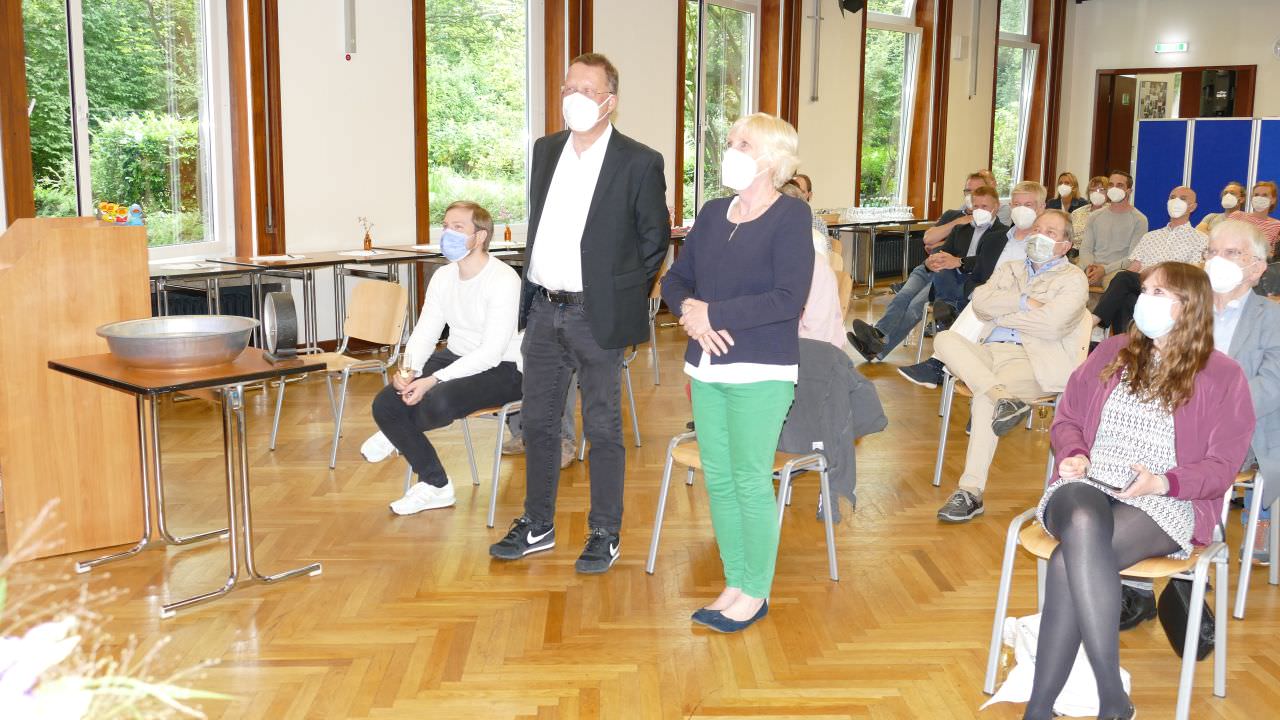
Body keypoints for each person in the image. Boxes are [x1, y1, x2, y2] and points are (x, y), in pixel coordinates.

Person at [1022, 262, 1254, 720]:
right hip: (1086, 482)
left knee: (1070, 560)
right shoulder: (1114, 350)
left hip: (1163, 498)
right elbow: (1068, 417)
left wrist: (1164, 482)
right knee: (1083, 520)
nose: (1145, 299)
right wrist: (1074, 453)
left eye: (1158, 292)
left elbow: (1222, 466)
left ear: (1189, 306)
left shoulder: (1223, 375)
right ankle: (1112, 697)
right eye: (1145, 289)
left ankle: (1040, 708)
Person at [489, 53, 668, 573]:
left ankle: (605, 531)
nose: (574, 97)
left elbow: (654, 242)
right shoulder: (546, 150)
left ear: (609, 101)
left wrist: (616, 296)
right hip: (545, 309)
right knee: (538, 423)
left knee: (604, 427)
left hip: (597, 315)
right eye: (569, 88)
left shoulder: (639, 161)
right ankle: (537, 524)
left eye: (586, 90)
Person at [661, 112, 813, 633]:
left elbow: (788, 298)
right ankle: (734, 581)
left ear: (771, 157)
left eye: (742, 143)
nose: (729, 149)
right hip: (706, 366)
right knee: (720, 481)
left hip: (761, 369)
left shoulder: (791, 216)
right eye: (730, 141)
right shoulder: (711, 212)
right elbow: (676, 280)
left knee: (749, 481)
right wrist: (691, 313)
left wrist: (714, 315)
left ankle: (756, 591)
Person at [1117, 220, 1280, 629]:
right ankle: (1144, 576)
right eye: (1212, 252)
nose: (1217, 260)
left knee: (1172, 456)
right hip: (1163, 422)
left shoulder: (1272, 318)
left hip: (1240, 434)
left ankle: (1159, 575)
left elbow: (1271, 387)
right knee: (1131, 448)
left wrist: (1203, 415)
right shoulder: (1180, 308)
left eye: (1231, 253)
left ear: (1258, 268)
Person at [931, 209, 1088, 522]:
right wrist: (1024, 303)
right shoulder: (1010, 268)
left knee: (984, 399)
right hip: (990, 351)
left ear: (1065, 246)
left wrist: (1004, 314)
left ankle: (970, 491)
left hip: (1034, 360)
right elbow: (980, 303)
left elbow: (1052, 326)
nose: (1040, 236)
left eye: (1051, 233)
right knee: (945, 340)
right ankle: (1003, 397)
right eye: (1037, 229)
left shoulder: (1073, 279)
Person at [373, 201, 524, 516]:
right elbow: (426, 331)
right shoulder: (443, 276)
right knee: (385, 403)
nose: (447, 234)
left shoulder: (503, 279)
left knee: (437, 401)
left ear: (479, 236)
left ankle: (396, 433)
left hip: (505, 368)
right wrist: (409, 369)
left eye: (458, 227)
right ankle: (436, 485)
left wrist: (431, 380)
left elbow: (491, 351)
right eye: (445, 226)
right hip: (457, 356)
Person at [896, 181, 1048, 389]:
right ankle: (940, 362)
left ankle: (938, 365)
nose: (1021, 210)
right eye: (1017, 204)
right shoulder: (996, 240)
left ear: (1041, 208)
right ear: (1011, 206)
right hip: (985, 298)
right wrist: (978, 293)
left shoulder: (1043, 245)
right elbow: (977, 276)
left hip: (1018, 303)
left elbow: (1041, 282)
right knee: (977, 301)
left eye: (1028, 205)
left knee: (979, 307)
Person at [846, 171, 999, 364]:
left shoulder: (996, 229)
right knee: (902, 296)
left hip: (948, 276)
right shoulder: (955, 218)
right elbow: (929, 241)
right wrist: (954, 229)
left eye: (976, 192)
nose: (972, 197)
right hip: (929, 266)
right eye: (968, 191)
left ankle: (876, 347)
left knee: (914, 307)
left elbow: (977, 259)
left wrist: (948, 255)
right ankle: (878, 334)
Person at [1091, 186, 1207, 335]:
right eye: (1172, 197)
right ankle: (1126, 342)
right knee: (1125, 290)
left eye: (1183, 199)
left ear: (1193, 207)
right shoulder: (1150, 236)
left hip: (1172, 290)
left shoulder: (1200, 239)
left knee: (1124, 283)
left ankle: (1095, 321)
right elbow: (1134, 268)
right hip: (1144, 286)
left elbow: (1193, 276)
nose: (1176, 201)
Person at [1079, 170, 1147, 288]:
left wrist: (1104, 269)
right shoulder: (1094, 216)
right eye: (1111, 185)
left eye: (1119, 185)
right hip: (1091, 267)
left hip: (1116, 271)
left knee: (1115, 285)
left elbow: (1133, 257)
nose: (1114, 188)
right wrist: (1089, 267)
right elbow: (1086, 248)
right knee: (1069, 280)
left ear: (1129, 191)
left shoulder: (1139, 220)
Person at [1236, 180, 1280, 253]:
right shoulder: (1237, 216)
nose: (1260, 198)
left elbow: (1274, 256)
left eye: (1265, 195)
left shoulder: (1277, 226)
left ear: (1273, 200)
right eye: (1256, 195)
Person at [1070, 175, 1109, 247]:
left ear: (1108, 192)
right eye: (1092, 190)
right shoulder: (1077, 213)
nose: (1096, 193)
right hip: (1077, 251)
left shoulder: (1113, 212)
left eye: (1101, 190)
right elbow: (1070, 236)